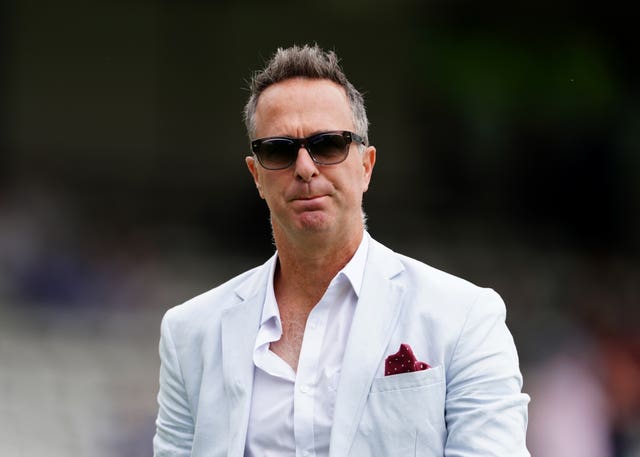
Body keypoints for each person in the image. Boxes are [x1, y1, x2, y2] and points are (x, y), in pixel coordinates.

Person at [153, 44, 530, 457]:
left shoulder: (463, 317)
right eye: (279, 149)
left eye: (328, 144)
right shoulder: (189, 332)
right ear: (256, 176)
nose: (305, 167)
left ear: (366, 165)